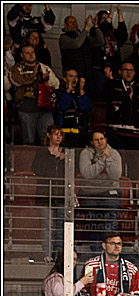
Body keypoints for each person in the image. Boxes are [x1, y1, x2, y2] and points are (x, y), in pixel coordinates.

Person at [5, 44, 59, 144]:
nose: (31, 55)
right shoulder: (17, 68)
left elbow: (56, 84)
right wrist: (33, 75)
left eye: (32, 52)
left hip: (45, 108)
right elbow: (16, 80)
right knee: (29, 140)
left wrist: (46, 80)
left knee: (49, 139)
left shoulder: (43, 67)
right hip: (26, 109)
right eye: (27, 53)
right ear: (21, 55)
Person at [78, 130, 123, 244]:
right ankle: (96, 252)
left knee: (110, 224)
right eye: (96, 140)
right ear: (92, 142)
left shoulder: (114, 153)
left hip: (110, 192)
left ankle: (109, 250)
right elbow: (87, 174)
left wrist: (107, 159)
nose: (100, 142)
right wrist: (102, 162)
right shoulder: (85, 153)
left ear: (106, 139)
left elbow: (115, 175)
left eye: (101, 139)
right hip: (90, 192)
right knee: (93, 225)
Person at [82, 231, 139, 296]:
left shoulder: (131, 269)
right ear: (104, 245)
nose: (117, 246)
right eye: (112, 243)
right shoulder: (91, 265)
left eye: (119, 243)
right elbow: (83, 293)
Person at [103, 60, 139, 150]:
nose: (128, 72)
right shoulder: (113, 85)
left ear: (134, 72)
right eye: (125, 70)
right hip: (116, 131)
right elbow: (105, 97)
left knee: (132, 162)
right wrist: (109, 81)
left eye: (131, 70)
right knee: (116, 161)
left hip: (135, 132)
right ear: (120, 72)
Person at [33, 126, 69, 254]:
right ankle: (47, 254)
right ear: (48, 135)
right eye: (56, 134)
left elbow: (71, 173)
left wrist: (63, 158)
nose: (58, 137)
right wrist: (54, 158)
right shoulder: (42, 152)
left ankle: (58, 254)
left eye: (61, 135)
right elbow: (37, 169)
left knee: (60, 227)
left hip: (61, 195)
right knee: (47, 226)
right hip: (44, 194)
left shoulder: (66, 152)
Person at [88, 7, 127, 102]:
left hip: (114, 68)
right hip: (100, 69)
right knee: (100, 94)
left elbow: (123, 35)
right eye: (104, 19)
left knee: (114, 94)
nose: (107, 21)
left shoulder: (113, 32)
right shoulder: (95, 31)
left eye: (108, 18)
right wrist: (109, 19)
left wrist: (119, 14)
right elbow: (102, 31)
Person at [53, 67, 91, 148]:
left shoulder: (80, 93)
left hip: (81, 133)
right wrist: (68, 90)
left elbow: (87, 108)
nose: (74, 79)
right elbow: (61, 106)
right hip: (65, 133)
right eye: (71, 76)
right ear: (64, 78)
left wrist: (81, 90)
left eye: (76, 76)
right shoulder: (58, 93)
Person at [59, 14, 93, 80]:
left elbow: (99, 41)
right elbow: (77, 44)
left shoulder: (81, 35)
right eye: (71, 22)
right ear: (65, 25)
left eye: (75, 22)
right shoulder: (64, 38)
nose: (74, 24)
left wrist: (96, 26)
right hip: (72, 73)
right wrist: (85, 30)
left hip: (86, 72)